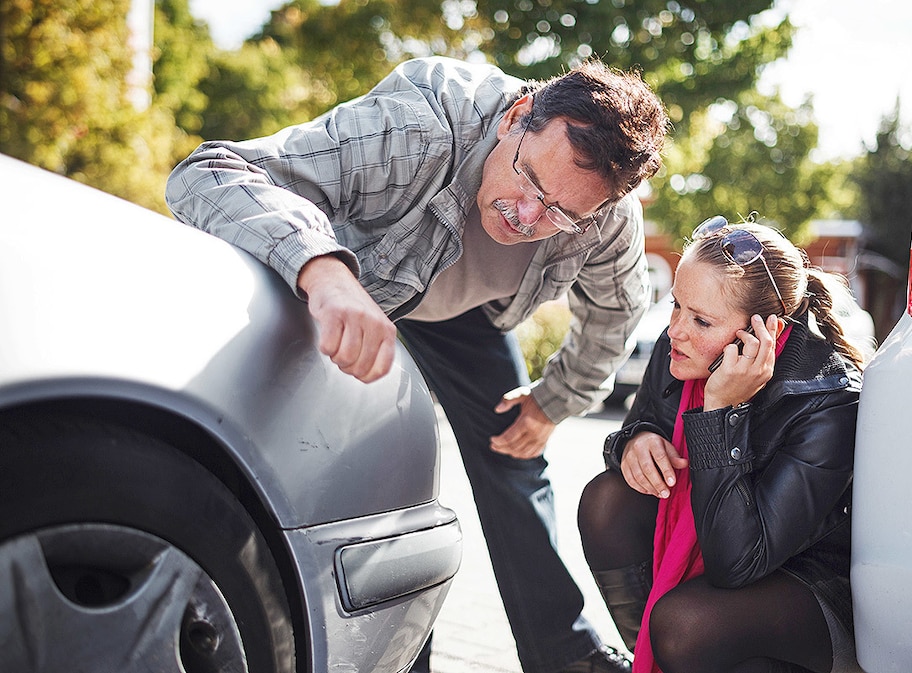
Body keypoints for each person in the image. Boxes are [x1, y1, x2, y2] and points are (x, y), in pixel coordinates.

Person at [166, 56, 669, 673]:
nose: (527, 217)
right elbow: (209, 173)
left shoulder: (606, 219)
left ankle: (568, 654)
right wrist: (324, 272)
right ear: (516, 117)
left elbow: (616, 313)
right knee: (370, 470)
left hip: (464, 315)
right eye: (530, 180)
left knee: (515, 457)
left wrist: (553, 401)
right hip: (352, 279)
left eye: (560, 212)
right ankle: (393, 657)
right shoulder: (419, 127)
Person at [577, 215, 866, 673]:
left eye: (701, 320)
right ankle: (655, 662)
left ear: (762, 331)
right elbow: (637, 426)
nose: (675, 330)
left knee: (685, 625)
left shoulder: (826, 400)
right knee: (607, 499)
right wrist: (636, 441)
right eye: (675, 305)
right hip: (727, 553)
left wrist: (720, 414)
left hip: (808, 583)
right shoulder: (683, 352)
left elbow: (739, 561)